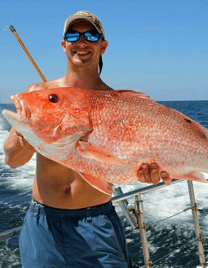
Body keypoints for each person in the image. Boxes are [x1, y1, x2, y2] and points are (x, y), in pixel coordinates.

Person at [3, 10, 171, 268]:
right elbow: (13, 161)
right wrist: (27, 134)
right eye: (73, 35)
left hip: (97, 223)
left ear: (102, 46)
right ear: (64, 45)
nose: (82, 41)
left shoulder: (119, 104)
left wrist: (148, 171)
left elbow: (130, 159)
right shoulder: (38, 94)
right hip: (43, 223)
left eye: (90, 35)